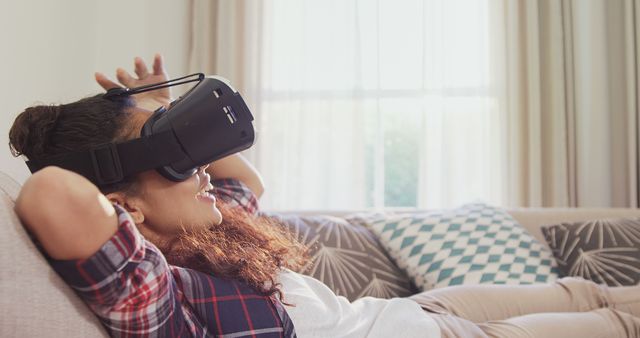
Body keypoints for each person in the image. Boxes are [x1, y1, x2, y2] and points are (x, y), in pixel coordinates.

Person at [9, 54, 640, 338]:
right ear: (125, 206)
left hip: (413, 311)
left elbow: (245, 183)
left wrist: (163, 122)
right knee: (616, 322)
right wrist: (129, 150)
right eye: (175, 159)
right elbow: (54, 195)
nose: (199, 167)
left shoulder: (212, 234)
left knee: (583, 291)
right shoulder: (163, 303)